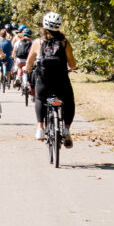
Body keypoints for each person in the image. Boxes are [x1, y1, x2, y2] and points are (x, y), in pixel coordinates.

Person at [29, 13, 78, 146]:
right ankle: (66, 129)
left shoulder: (38, 42)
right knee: (69, 101)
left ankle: (40, 128)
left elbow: (29, 62)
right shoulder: (65, 43)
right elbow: (71, 63)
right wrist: (73, 67)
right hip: (61, 80)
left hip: (43, 80)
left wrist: (27, 68)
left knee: (40, 98)